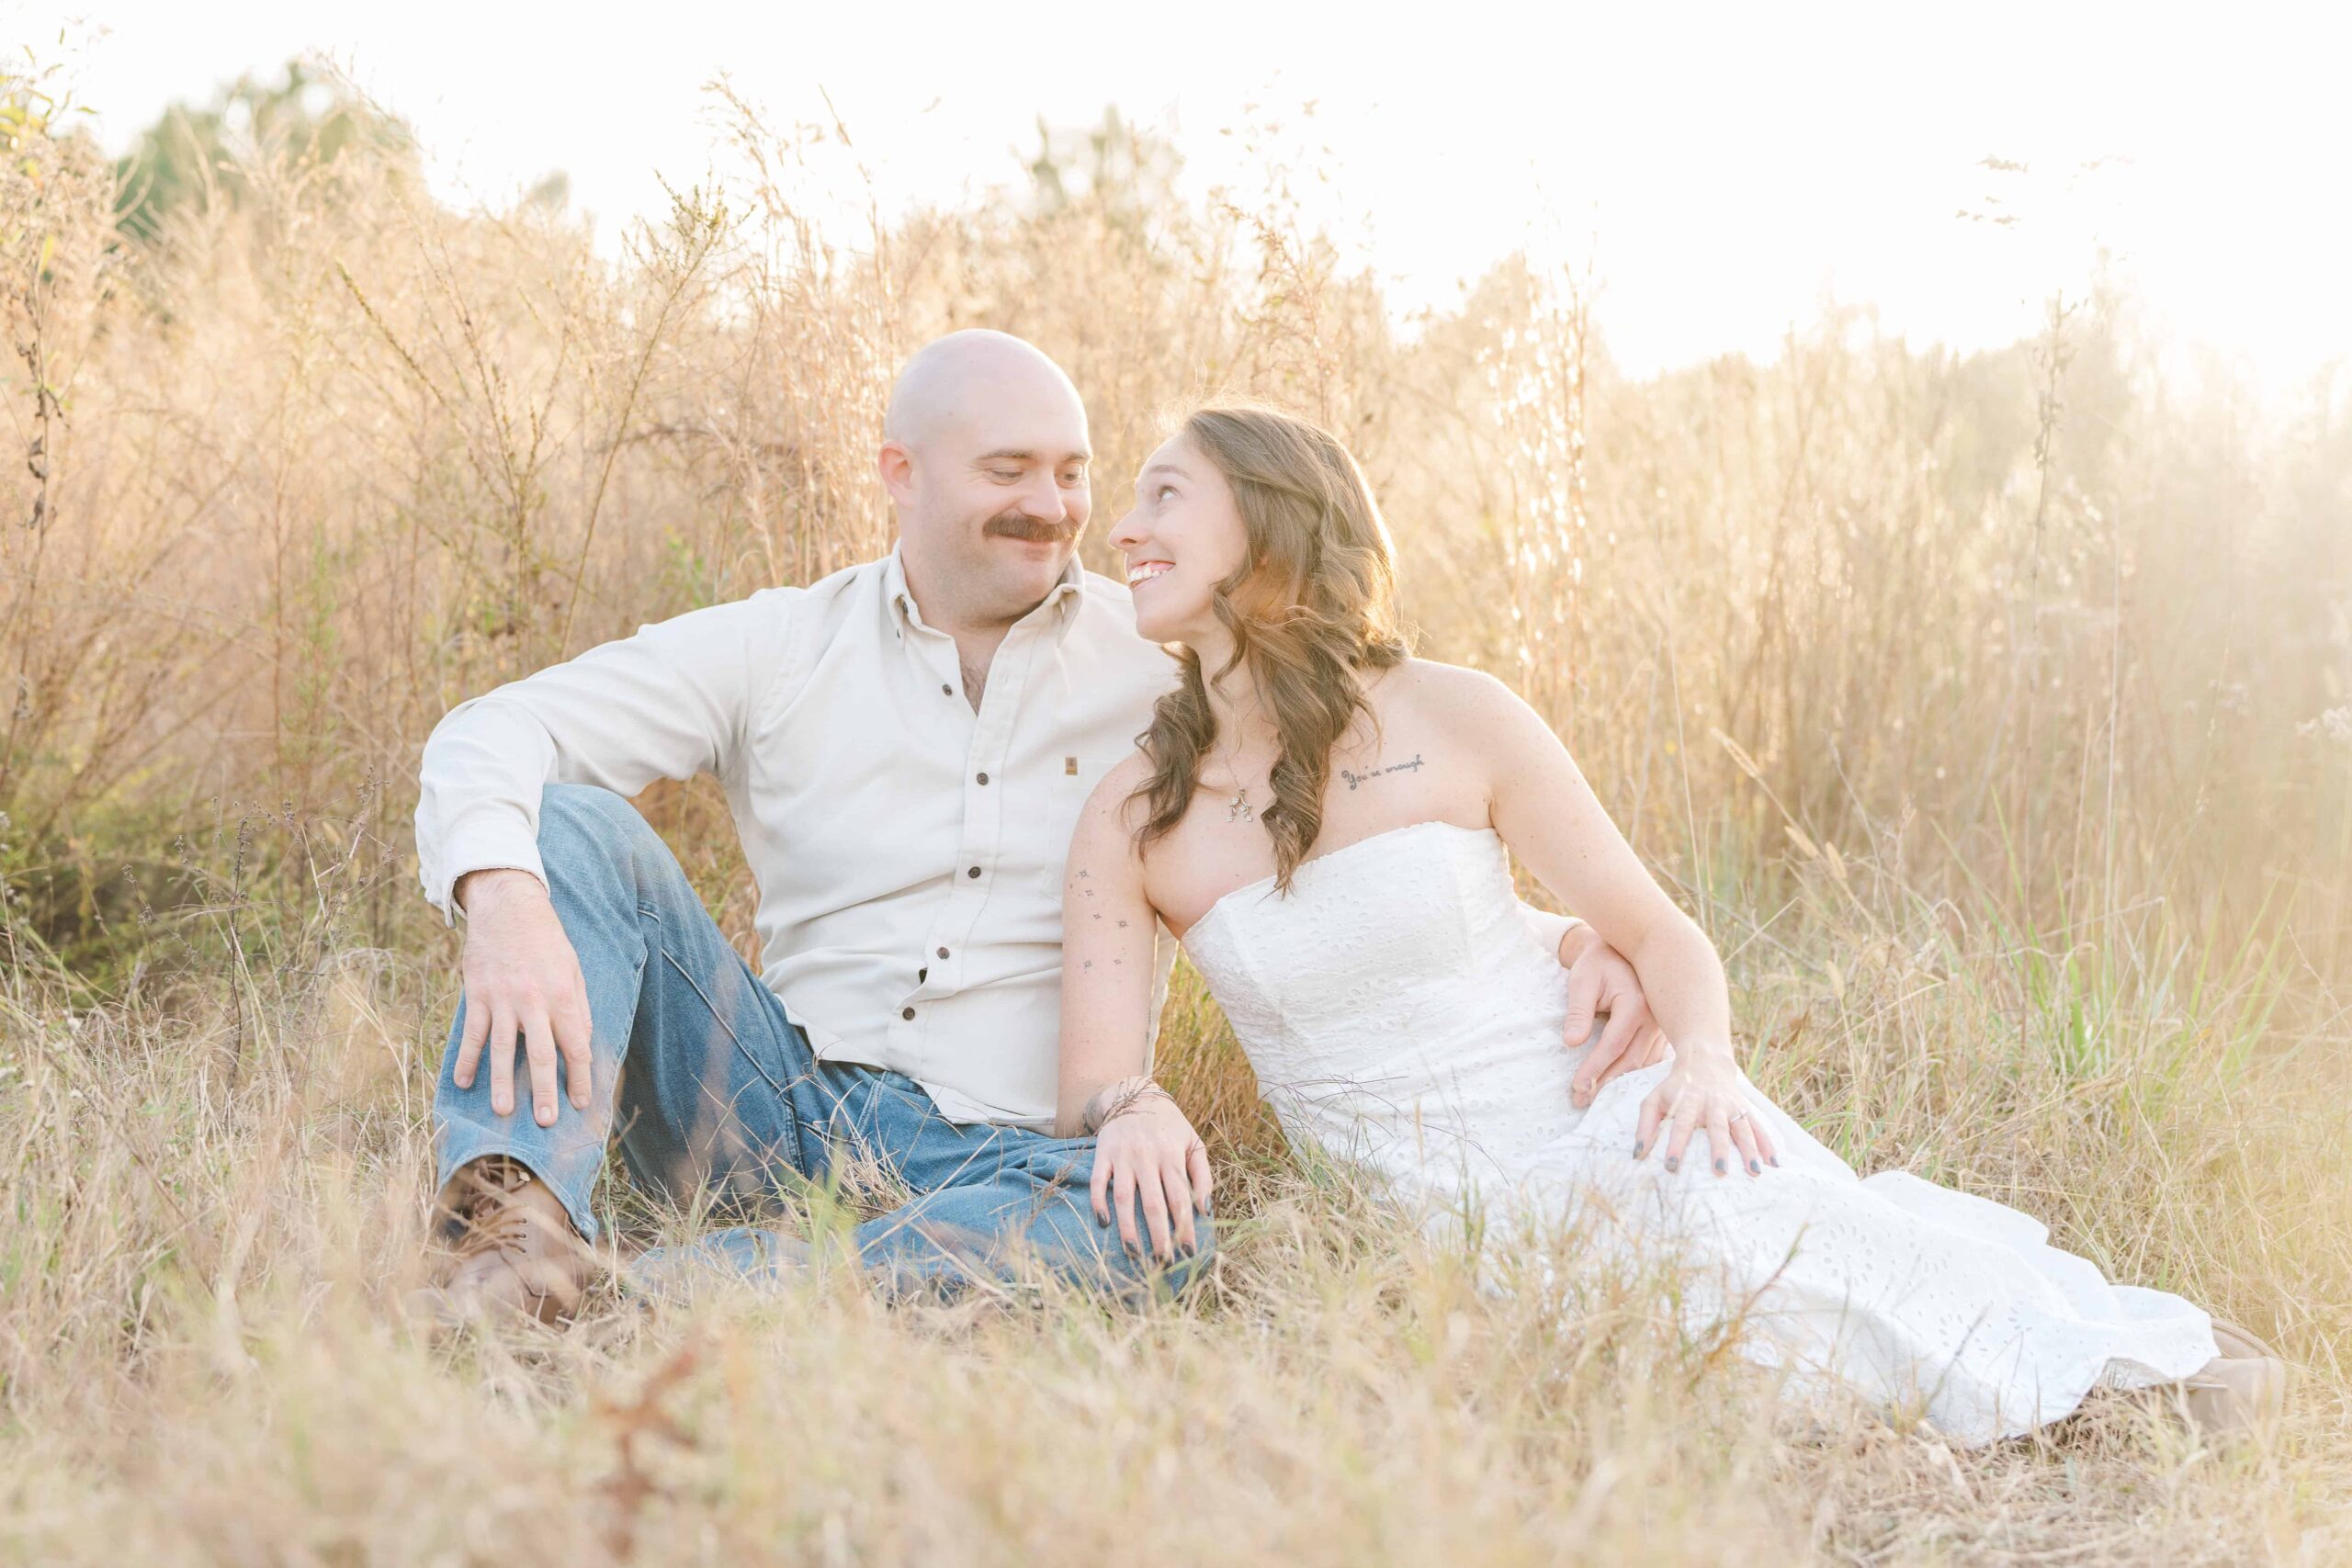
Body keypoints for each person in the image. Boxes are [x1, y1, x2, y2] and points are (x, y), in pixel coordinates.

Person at [1056, 401, 2293, 1445]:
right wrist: (1137, 1100)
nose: (1124, 526)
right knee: (1665, 1330)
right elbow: (1094, 1082)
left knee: (1734, 1233)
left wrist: (1704, 1062)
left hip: (1605, 1104)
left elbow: (1658, 935)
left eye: (1165, 495)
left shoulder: (1459, 716)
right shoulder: (1136, 816)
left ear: (1271, 527)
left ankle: (2116, 1381)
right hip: (1427, 1207)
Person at [411, 332, 1664, 1321]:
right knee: (567, 827)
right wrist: (506, 900)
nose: (1055, 508)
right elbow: (495, 729)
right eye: (1008, 472)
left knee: (1147, 1227)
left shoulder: (1169, 651)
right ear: (899, 474)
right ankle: (507, 1225)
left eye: (1071, 472)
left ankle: (635, 1290)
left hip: (1001, 1159)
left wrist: (1560, 938)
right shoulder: (776, 645)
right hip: (763, 1095)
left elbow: (1366, 812)